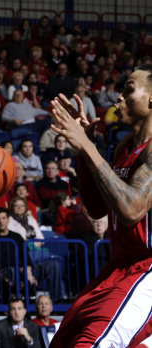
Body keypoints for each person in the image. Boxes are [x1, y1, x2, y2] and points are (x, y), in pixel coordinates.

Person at [47, 66, 152, 346]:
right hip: (118, 266)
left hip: (147, 268)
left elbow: (131, 211)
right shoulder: (125, 147)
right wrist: (85, 148)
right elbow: (97, 209)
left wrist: (88, 147)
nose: (118, 97)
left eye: (129, 89)